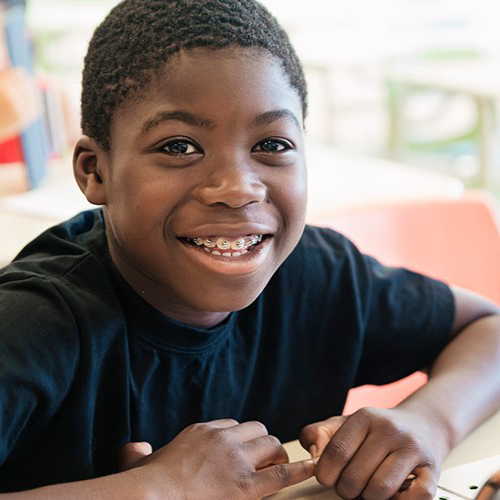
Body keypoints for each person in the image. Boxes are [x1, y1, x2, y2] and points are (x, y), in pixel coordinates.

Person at [0, 0, 499, 498]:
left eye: (272, 145)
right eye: (179, 146)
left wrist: (428, 421)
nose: (238, 188)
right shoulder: (32, 323)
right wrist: (157, 489)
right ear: (95, 170)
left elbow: (489, 330)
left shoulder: (315, 276)